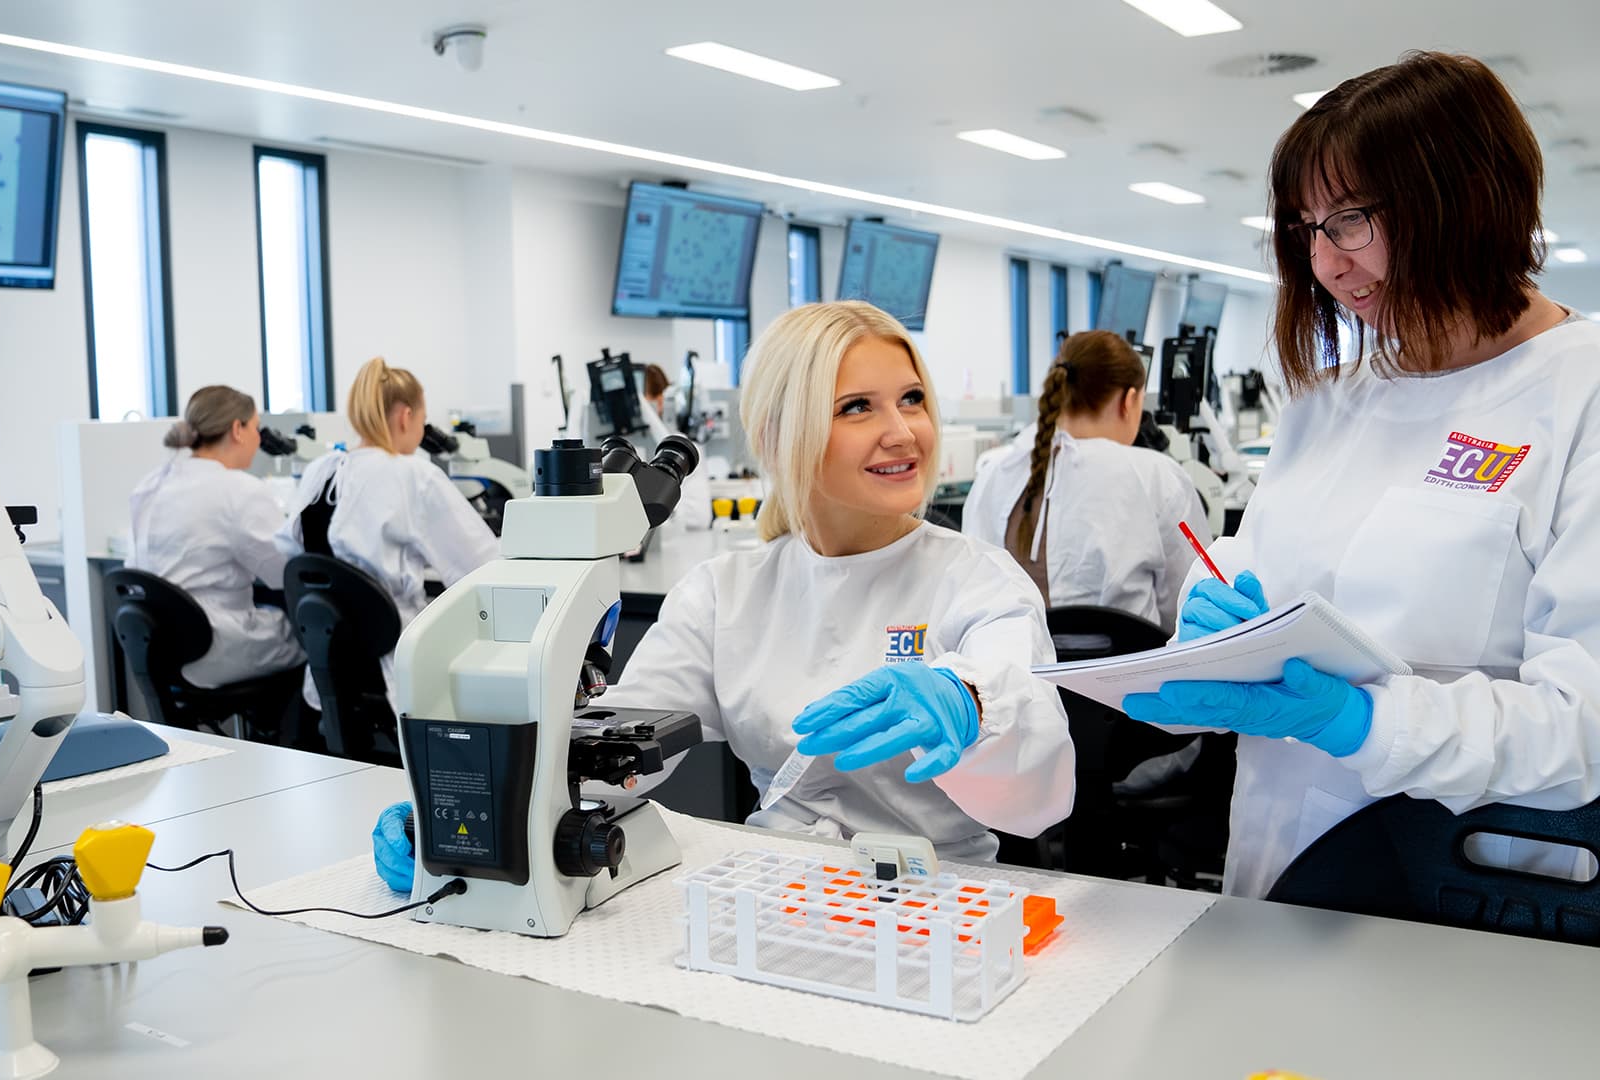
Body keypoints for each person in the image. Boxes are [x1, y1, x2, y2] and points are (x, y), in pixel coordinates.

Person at [371, 301, 1073, 891]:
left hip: (944, 897)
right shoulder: (726, 591)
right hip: (780, 889)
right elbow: (616, 755)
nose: (902, 431)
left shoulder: (978, 580)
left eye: (912, 399)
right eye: (857, 407)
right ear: (776, 436)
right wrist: (467, 806)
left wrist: (971, 702)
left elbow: (1042, 789)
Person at [1121, 52, 1600, 899]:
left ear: (1466, 196)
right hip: (1281, 864)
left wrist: (1364, 722)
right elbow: (1262, 558)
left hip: (1475, 885)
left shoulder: (1581, 390)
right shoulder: (1329, 401)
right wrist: (1216, 610)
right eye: (1306, 229)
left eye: (1348, 219)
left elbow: (1582, 727)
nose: (1327, 262)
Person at [276, 356, 498, 709]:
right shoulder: (413, 475)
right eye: (424, 421)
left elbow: (290, 555)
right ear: (406, 416)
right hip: (396, 659)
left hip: (331, 660)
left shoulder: (319, 472)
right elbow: (485, 568)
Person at [963, 330, 1211, 630]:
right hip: (1130, 672)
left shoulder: (994, 472)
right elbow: (1192, 604)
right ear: (1129, 401)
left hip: (1017, 673)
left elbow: (973, 596)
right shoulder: (1157, 477)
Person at [126, 385, 303, 688]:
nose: (259, 439)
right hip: (212, 643)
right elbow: (283, 574)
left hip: (159, 643)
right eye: (256, 428)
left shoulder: (151, 484)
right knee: (315, 638)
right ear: (238, 429)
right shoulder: (239, 490)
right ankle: (279, 736)